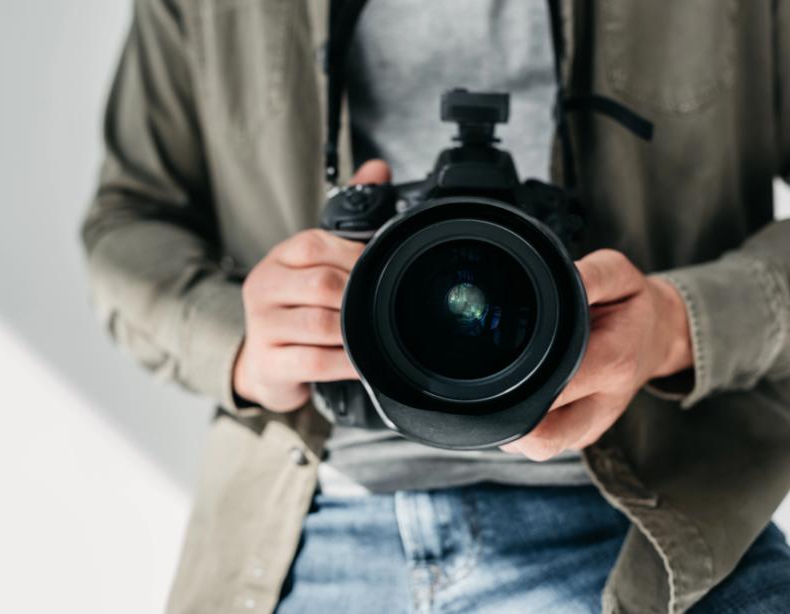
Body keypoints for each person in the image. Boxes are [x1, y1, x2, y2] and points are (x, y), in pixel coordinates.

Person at [80, 0, 790, 612]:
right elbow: (129, 219)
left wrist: (677, 324)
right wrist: (242, 339)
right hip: (309, 516)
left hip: (654, 512)